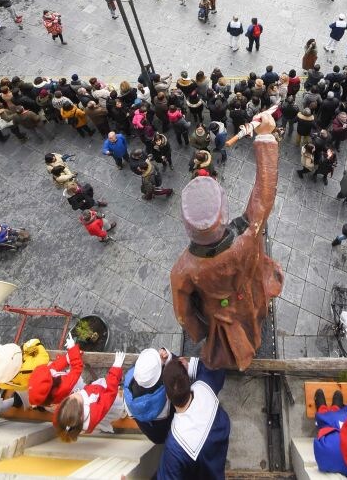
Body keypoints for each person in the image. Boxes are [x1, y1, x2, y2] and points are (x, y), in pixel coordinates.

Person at [171, 109, 284, 370]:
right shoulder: (246, 235)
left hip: (219, 313)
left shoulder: (182, 269)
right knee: (254, 319)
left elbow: (184, 313)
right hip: (250, 294)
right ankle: (254, 340)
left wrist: (200, 331)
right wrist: (265, 138)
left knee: (231, 333)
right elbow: (264, 197)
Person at [158, 357, 230, 479]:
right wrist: (190, 367)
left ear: (168, 397)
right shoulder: (204, 388)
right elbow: (216, 365)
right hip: (218, 457)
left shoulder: (175, 447)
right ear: (188, 382)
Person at [55, 352, 125, 441]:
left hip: (94, 392)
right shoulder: (94, 411)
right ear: (82, 409)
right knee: (118, 402)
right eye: (76, 396)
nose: (75, 393)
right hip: (109, 405)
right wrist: (116, 368)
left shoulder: (66, 415)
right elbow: (110, 392)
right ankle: (123, 411)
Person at [124, 347, 175, 444]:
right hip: (168, 430)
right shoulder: (167, 389)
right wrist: (167, 359)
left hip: (153, 435)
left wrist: (156, 364)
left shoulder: (129, 389)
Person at [28, 332, 84, 408]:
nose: (49, 369)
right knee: (82, 384)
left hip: (64, 379)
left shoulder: (48, 390)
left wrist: (69, 357)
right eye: (48, 372)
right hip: (75, 384)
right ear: (51, 383)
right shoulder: (64, 387)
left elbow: (54, 366)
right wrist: (73, 350)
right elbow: (77, 369)